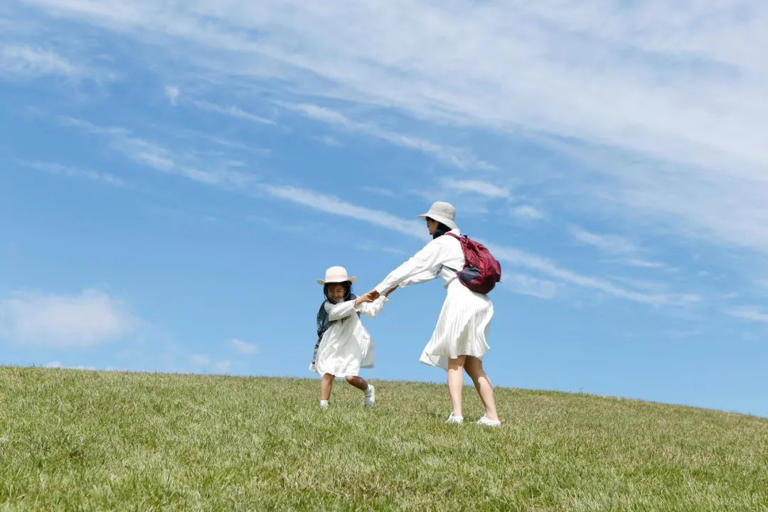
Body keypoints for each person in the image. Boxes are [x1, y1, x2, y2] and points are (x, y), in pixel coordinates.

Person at [367, 201, 501, 426]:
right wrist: (393, 287)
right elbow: (425, 274)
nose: (427, 225)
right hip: (482, 302)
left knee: (455, 360)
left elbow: (411, 265)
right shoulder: (462, 244)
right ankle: (492, 416)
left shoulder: (443, 243)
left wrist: (378, 289)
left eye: (429, 220)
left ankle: (457, 415)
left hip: (461, 299)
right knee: (473, 364)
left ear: (438, 222)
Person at [310, 265, 392, 409]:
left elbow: (371, 311)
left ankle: (368, 390)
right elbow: (337, 312)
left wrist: (384, 296)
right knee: (328, 372)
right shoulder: (328, 305)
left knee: (350, 377)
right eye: (331, 291)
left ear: (346, 289)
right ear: (326, 291)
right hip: (333, 344)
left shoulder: (355, 299)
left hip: (352, 343)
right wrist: (358, 302)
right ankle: (323, 406)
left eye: (339, 290)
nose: (335, 294)